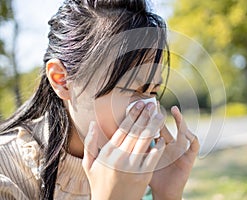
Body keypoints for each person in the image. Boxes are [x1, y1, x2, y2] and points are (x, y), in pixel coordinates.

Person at [0, 0, 200, 199]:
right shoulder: (6, 174)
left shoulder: (137, 170)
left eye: (153, 92)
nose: (149, 111)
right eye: (132, 89)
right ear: (61, 80)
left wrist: (166, 194)